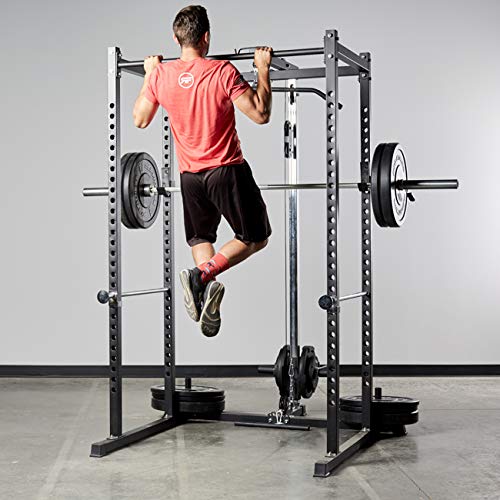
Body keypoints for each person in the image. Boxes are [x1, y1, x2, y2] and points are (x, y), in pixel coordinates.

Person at [132, 5, 273, 337]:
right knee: (256, 237)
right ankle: (202, 275)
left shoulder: (162, 75)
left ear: (176, 38)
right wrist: (263, 69)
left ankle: (205, 288)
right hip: (226, 170)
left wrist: (150, 75)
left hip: (190, 178)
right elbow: (261, 114)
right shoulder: (222, 71)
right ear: (206, 37)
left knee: (201, 238)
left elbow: (140, 119)